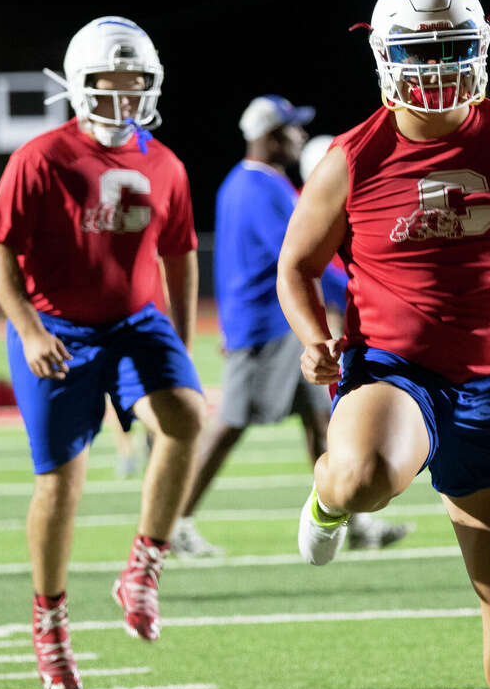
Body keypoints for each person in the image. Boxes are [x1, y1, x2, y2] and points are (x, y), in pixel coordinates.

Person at [278, 0, 490, 689]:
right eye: (420, 52)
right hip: (395, 365)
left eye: (452, 47)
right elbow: (295, 266)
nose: (438, 67)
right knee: (363, 477)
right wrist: (315, 338)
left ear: (479, 48)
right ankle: (327, 497)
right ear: (387, 58)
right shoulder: (353, 157)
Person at [0, 16, 206, 689]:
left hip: (137, 322)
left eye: (133, 82)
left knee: (187, 417)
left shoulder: (164, 162)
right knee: (61, 484)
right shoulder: (41, 159)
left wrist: (181, 342)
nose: (122, 96)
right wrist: (26, 329)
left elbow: (180, 254)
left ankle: (143, 567)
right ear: (78, 87)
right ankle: (49, 622)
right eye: (107, 84)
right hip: (59, 327)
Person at [171, 97, 411, 557]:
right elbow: (301, 259)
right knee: (229, 425)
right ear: (270, 136)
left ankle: (355, 521)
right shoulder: (263, 188)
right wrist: (373, 288)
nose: (300, 138)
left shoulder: (241, 183)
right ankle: (172, 524)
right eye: (292, 130)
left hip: (268, 323)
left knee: (322, 422)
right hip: (267, 326)